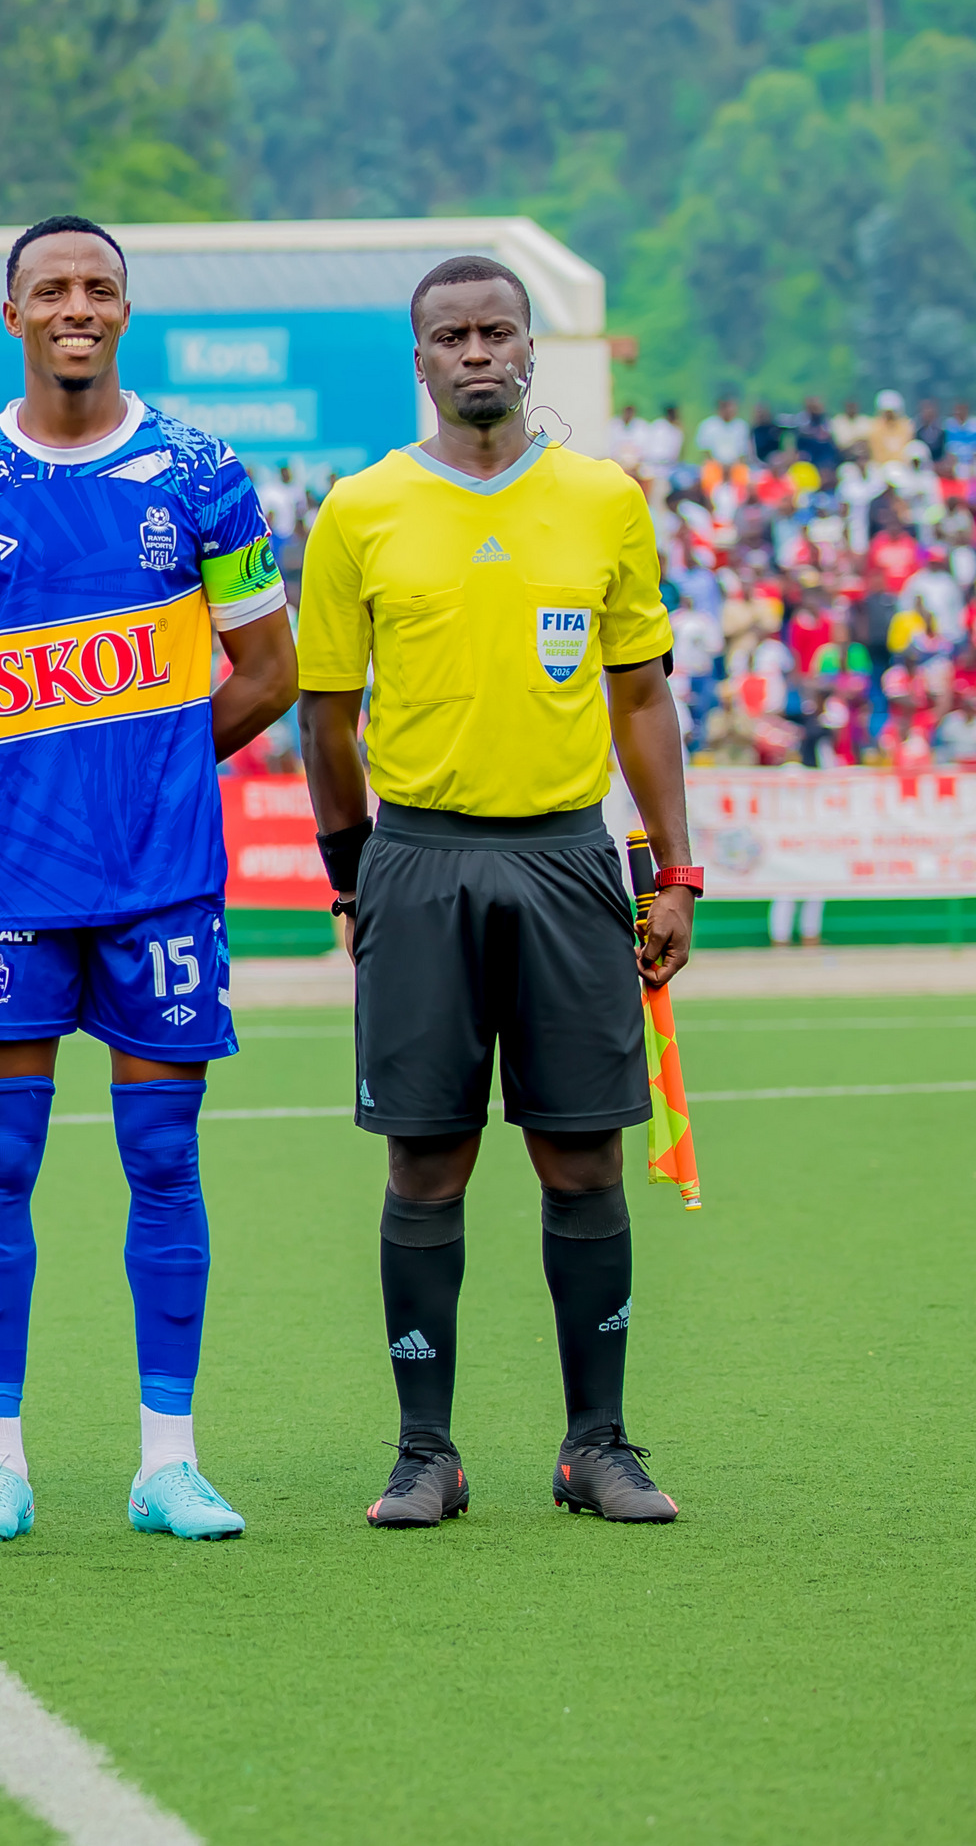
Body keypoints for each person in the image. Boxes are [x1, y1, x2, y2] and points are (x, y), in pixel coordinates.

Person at [0, 215, 299, 1545]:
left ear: (127, 308)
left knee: (163, 1159)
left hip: (161, 881)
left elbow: (270, 670)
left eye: (99, 287)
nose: (77, 306)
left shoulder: (203, 474)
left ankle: (167, 1463)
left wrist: (151, 768)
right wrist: (17, 782)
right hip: (7, 883)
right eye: (51, 289)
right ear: (11, 314)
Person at [295, 254, 697, 1531]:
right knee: (427, 1159)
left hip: (570, 859)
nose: (477, 352)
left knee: (584, 1156)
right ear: (420, 359)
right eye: (452, 335)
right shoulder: (361, 509)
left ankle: (597, 1446)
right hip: (418, 859)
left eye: (498, 331)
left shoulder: (605, 501)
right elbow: (325, 714)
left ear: (531, 350)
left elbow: (643, 696)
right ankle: (427, 1453)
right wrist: (353, 874)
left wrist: (674, 868)